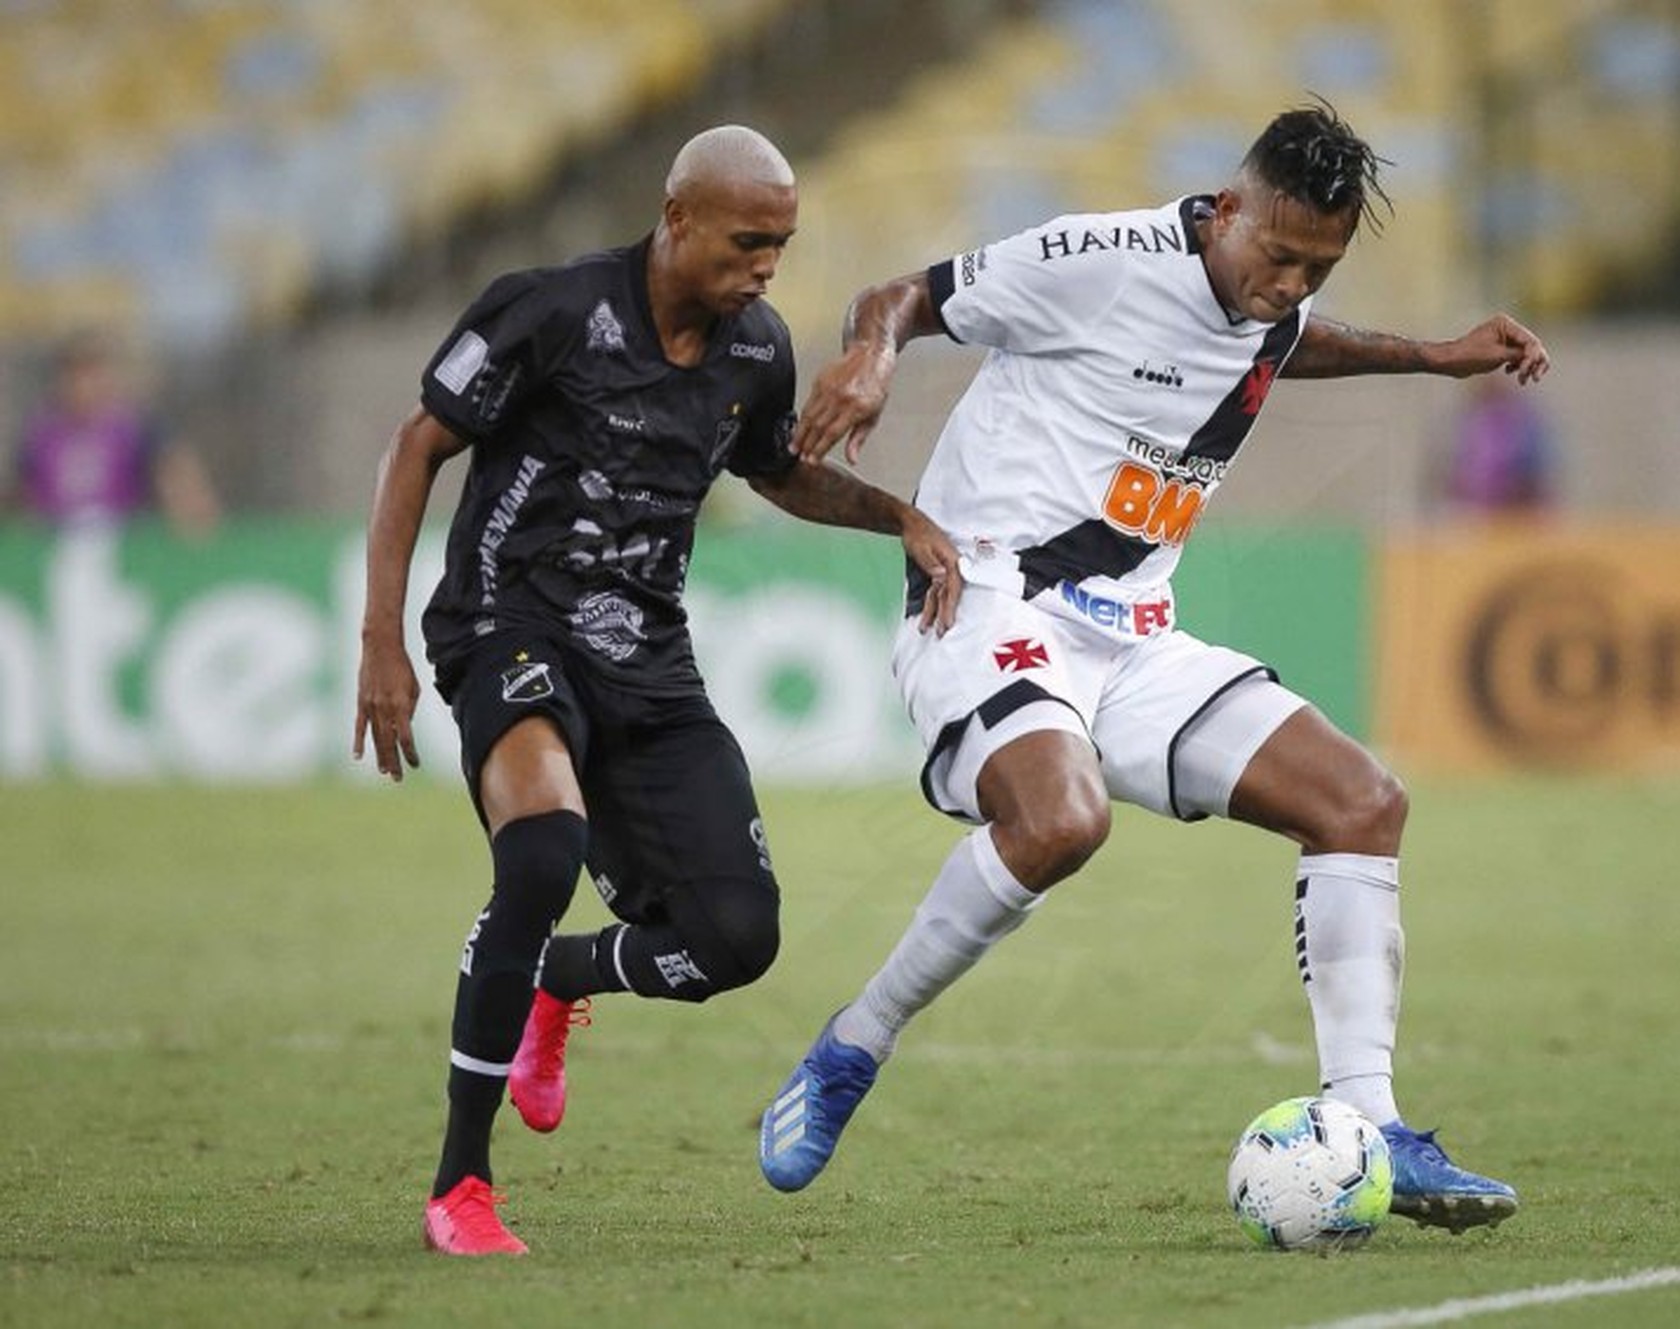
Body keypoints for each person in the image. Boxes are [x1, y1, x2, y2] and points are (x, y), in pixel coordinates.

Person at [756, 100, 1551, 1233]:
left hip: (1132, 634)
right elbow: (899, 298)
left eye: (1316, 269)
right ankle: (854, 1043)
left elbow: (1282, 340)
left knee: (1361, 803)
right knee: (1061, 820)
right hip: (987, 596)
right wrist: (872, 359)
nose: (1289, 285)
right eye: (1278, 256)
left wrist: (1431, 357)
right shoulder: (1098, 260)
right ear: (1225, 209)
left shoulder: (1272, 296)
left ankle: (1373, 1125)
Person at [351, 125, 963, 1258]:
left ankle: (558, 974)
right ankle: (461, 1186)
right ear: (677, 219)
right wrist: (379, 636)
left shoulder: (755, 350)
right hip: (507, 625)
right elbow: (415, 446)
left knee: (735, 936)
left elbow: (776, 472)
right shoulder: (549, 310)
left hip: (646, 657)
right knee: (542, 852)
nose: (766, 267)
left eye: (780, 245)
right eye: (747, 242)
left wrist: (902, 518)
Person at [8, 331, 220, 537]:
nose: (83, 385)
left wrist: (188, 511)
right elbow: (21, 501)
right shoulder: (40, 434)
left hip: (124, 543)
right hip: (56, 543)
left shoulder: (138, 428)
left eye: (92, 373)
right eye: (74, 374)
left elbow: (183, 484)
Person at [1443, 373, 1556, 517]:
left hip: (1518, 510)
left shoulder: (1524, 421)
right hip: (1477, 509)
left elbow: (1535, 472)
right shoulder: (1470, 422)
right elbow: (1456, 470)